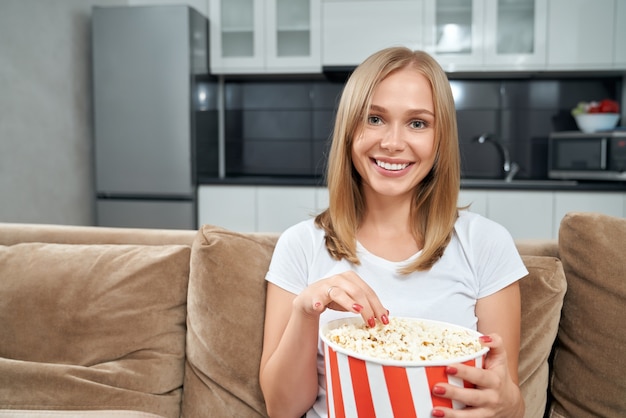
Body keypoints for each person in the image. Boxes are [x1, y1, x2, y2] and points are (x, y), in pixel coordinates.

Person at [259, 47, 527, 418]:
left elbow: (507, 400)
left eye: (418, 123)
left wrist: (508, 404)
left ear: (440, 138)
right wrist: (307, 311)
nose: (392, 143)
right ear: (350, 129)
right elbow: (281, 409)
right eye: (374, 119)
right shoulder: (300, 245)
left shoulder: (487, 245)